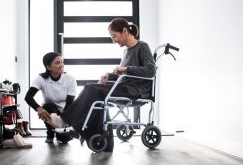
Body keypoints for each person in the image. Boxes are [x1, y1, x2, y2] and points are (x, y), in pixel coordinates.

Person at [47, 18, 156, 152]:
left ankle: (66, 120)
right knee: (95, 94)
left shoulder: (142, 47)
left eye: (114, 36)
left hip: (135, 91)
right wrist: (110, 75)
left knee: (90, 88)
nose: (113, 40)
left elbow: (151, 71)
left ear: (125, 31)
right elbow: (123, 74)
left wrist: (126, 69)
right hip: (124, 87)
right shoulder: (126, 51)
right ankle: (100, 139)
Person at [25, 52, 77, 143]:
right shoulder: (41, 78)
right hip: (50, 109)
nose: (61, 65)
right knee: (47, 106)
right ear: (48, 67)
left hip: (66, 111)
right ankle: (50, 132)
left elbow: (70, 103)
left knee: (64, 140)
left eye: (62, 62)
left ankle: (57, 132)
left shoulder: (70, 79)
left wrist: (63, 121)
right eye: (57, 63)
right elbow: (28, 97)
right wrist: (38, 108)